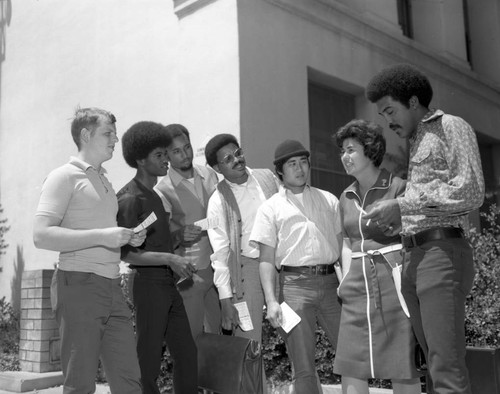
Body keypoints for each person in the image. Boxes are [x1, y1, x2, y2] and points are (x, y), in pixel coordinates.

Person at [364, 63, 485, 394]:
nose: (387, 121)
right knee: (433, 366)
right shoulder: (416, 139)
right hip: (414, 259)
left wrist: (401, 205)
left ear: (413, 102)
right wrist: (396, 217)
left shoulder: (451, 127)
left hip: (441, 255)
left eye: (390, 110)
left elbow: (470, 193)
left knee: (446, 367)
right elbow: (429, 201)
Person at [33, 107, 145, 394]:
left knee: (129, 380)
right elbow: (41, 235)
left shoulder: (103, 180)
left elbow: (101, 234)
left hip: (112, 287)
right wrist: (104, 236)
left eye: (115, 134)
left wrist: (127, 238)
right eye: (108, 133)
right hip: (79, 285)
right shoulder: (63, 177)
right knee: (80, 384)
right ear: (85, 135)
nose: (115, 140)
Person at [332, 120, 421, 394]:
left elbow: (413, 237)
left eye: (350, 150)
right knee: (351, 363)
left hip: (392, 282)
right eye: (342, 151)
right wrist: (344, 281)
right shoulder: (345, 197)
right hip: (355, 288)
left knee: (401, 363)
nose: (344, 157)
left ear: (369, 150)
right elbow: (346, 243)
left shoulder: (398, 188)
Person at [250, 139, 342, 394]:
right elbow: (266, 259)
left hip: (332, 285)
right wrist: (272, 301)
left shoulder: (329, 200)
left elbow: (342, 247)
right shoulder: (270, 209)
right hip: (294, 288)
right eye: (292, 164)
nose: (300, 168)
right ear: (280, 170)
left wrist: (348, 285)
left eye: (303, 162)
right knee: (303, 365)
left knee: (351, 354)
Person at [116, 121, 198, 394]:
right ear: (140, 160)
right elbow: (127, 253)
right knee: (148, 361)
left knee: (187, 354)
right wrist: (172, 259)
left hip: (167, 285)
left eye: (167, 154)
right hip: (148, 285)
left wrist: (177, 238)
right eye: (159, 155)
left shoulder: (154, 195)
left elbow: (155, 241)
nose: (167, 160)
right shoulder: (129, 199)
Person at [205, 133, 279, 344]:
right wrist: (225, 299)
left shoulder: (267, 178)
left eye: (237, 153)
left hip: (281, 265)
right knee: (249, 343)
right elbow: (220, 255)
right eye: (228, 159)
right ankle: (253, 380)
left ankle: (305, 379)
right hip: (246, 272)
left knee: (295, 333)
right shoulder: (217, 201)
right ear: (217, 169)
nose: (237, 159)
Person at [154, 123, 221, 340]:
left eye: (187, 147)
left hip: (219, 270)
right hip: (189, 276)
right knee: (191, 344)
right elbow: (157, 240)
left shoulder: (210, 175)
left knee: (219, 341)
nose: (185, 155)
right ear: (166, 156)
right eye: (176, 151)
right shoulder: (162, 191)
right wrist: (178, 236)